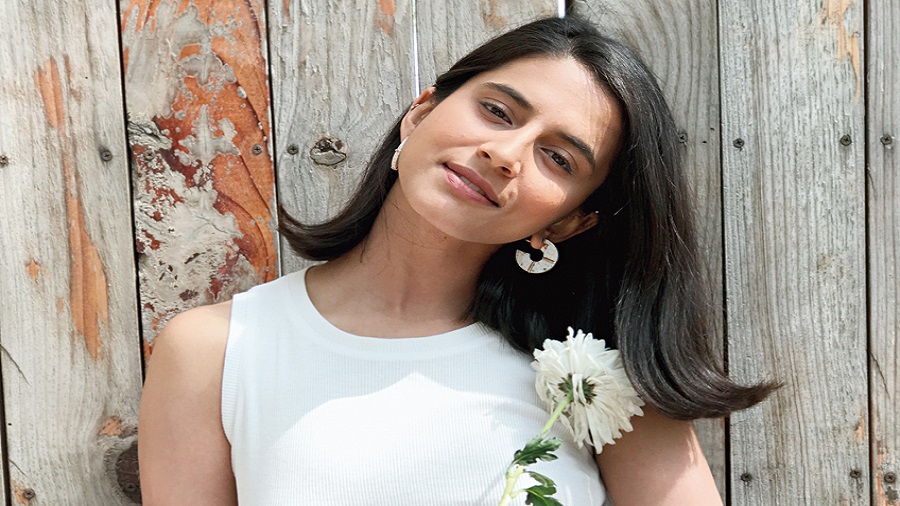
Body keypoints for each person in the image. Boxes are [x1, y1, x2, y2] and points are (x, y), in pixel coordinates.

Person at [138, 14, 776, 505]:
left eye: (559, 158)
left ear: (569, 219)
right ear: (421, 113)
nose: (506, 152)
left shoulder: (599, 379)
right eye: (497, 111)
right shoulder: (216, 352)